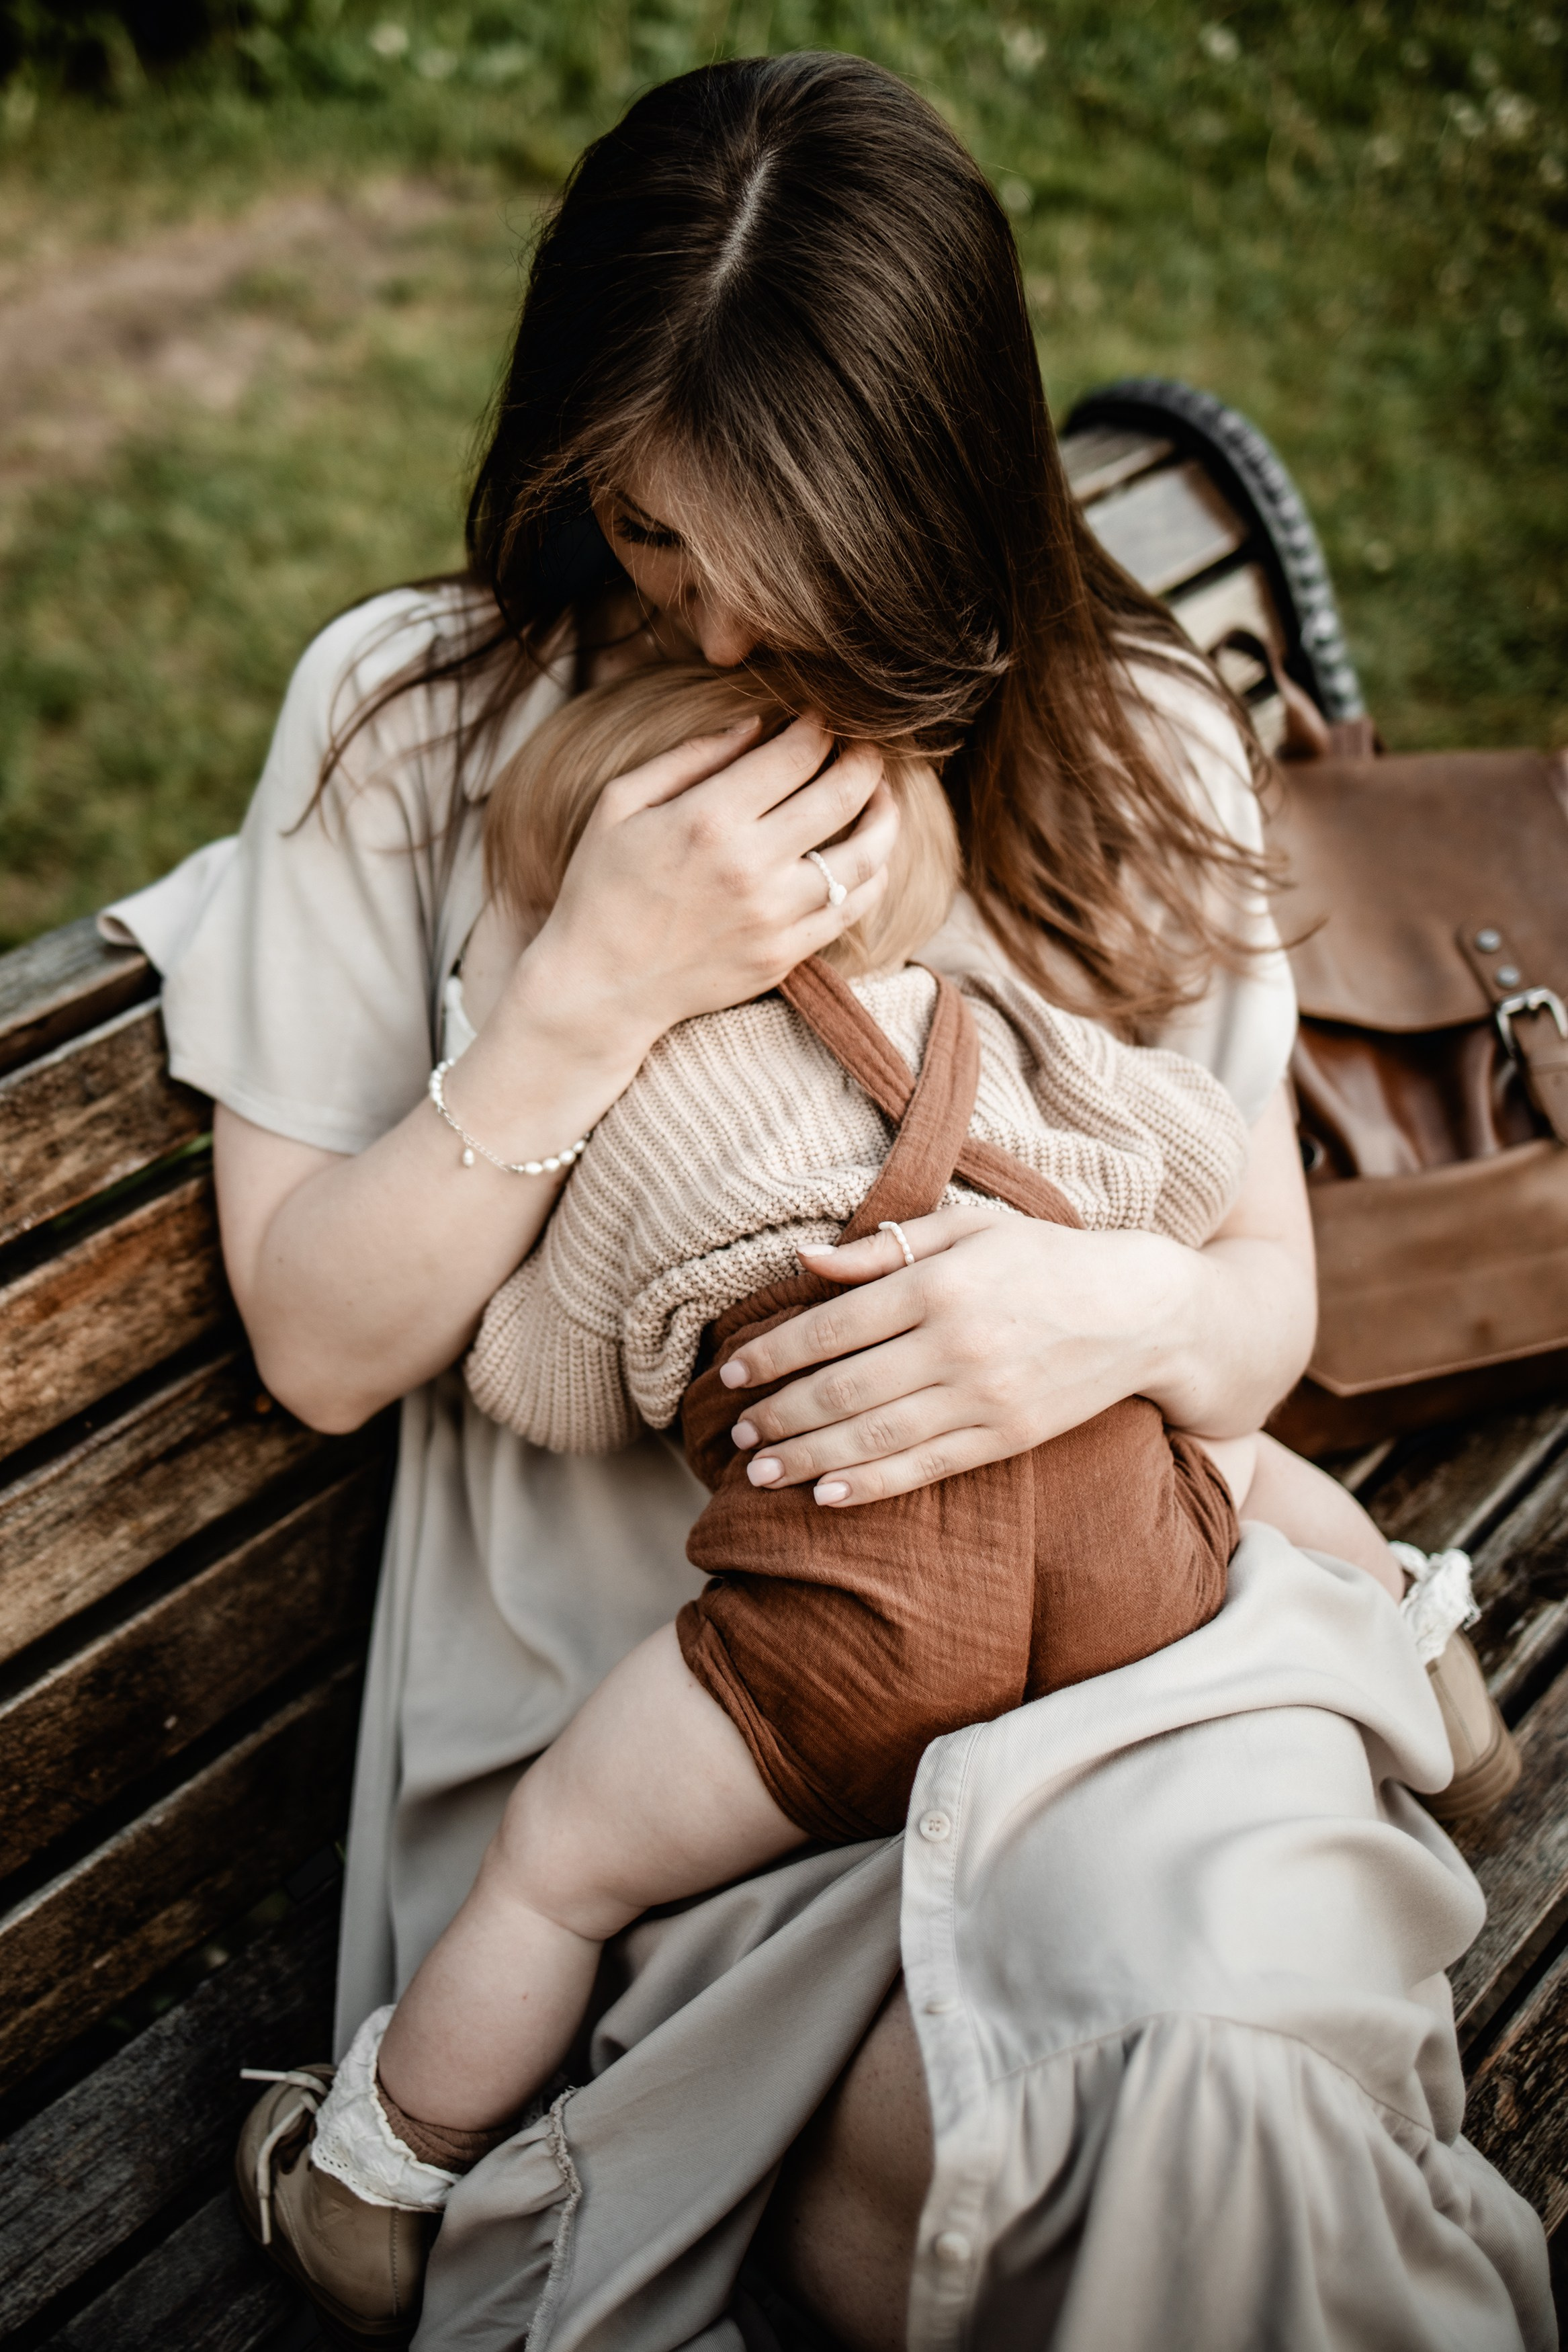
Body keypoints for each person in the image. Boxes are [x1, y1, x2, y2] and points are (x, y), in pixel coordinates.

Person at [104, 50, 1551, 2352]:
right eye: (663, 538)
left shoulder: (1133, 747)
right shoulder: (413, 723)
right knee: (1160, 2113)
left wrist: (1105, 1313)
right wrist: (588, 995)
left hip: (1135, 1676)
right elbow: (321, 1334)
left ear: (950, 501)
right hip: (689, 1767)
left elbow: (1255, 1302)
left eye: (816, 578)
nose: (725, 638)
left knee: (1207, 2044)